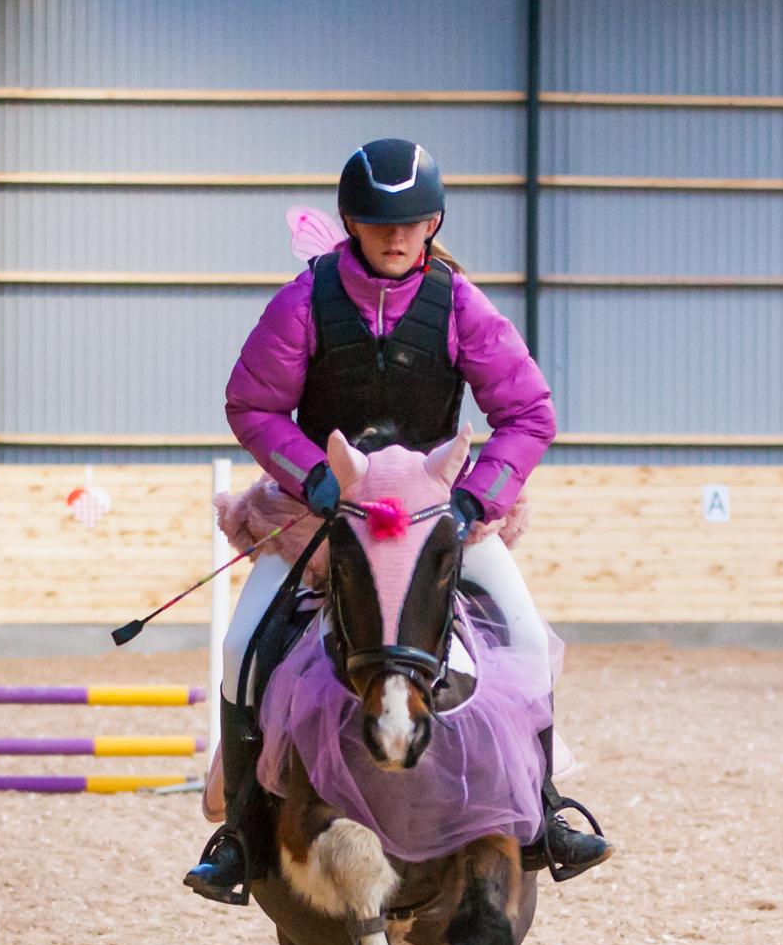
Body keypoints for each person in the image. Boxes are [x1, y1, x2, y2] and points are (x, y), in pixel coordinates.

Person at [185, 138, 611, 904]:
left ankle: (545, 813)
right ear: (351, 221)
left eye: (411, 222)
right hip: (321, 512)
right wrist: (311, 475)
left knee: (523, 634)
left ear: (432, 222)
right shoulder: (303, 300)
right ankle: (241, 834)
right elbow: (251, 405)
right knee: (242, 643)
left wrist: (479, 498)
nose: (395, 236)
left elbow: (527, 411)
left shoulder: (461, 305)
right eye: (379, 221)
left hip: (434, 515)